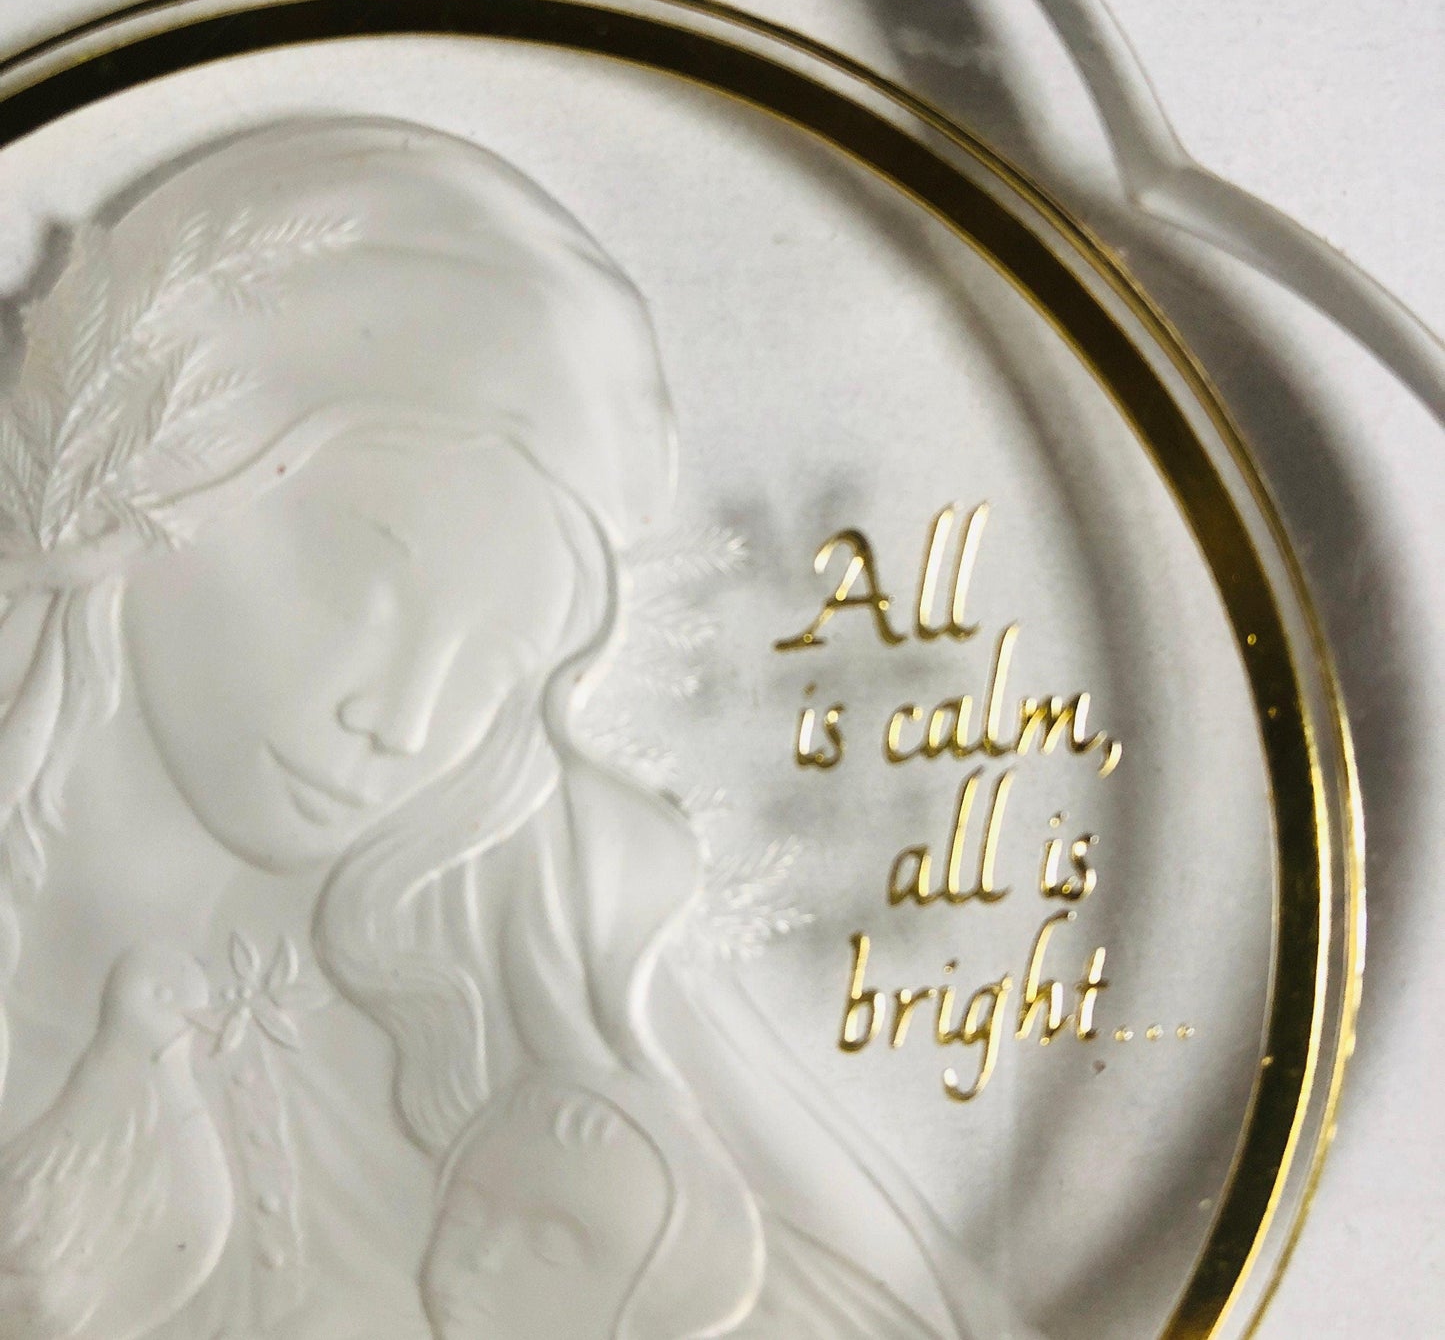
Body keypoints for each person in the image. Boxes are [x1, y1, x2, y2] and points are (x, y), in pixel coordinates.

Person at [0, 119, 998, 1338]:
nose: (401, 719)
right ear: (158, 496)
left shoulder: (482, 1026)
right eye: (364, 583)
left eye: (495, 658)